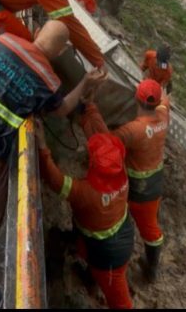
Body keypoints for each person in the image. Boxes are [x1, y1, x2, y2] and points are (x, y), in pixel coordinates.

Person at [0, 21, 105, 309]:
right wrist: (85, 83)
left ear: (37, 33)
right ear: (59, 52)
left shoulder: (0, 41)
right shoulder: (47, 79)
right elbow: (62, 110)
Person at [81, 79, 170, 283]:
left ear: (136, 98)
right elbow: (166, 99)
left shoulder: (133, 130)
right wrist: (163, 87)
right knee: (151, 230)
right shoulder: (164, 115)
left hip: (133, 189)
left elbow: (106, 144)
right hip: (154, 184)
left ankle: (97, 274)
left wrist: (91, 109)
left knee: (114, 224)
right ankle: (151, 270)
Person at [39, 130, 135, 309]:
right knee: (86, 253)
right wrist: (89, 109)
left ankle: (93, 280)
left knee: (120, 303)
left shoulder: (84, 192)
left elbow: (55, 180)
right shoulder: (122, 178)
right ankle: (91, 280)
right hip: (119, 236)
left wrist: (43, 147)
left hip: (108, 258)